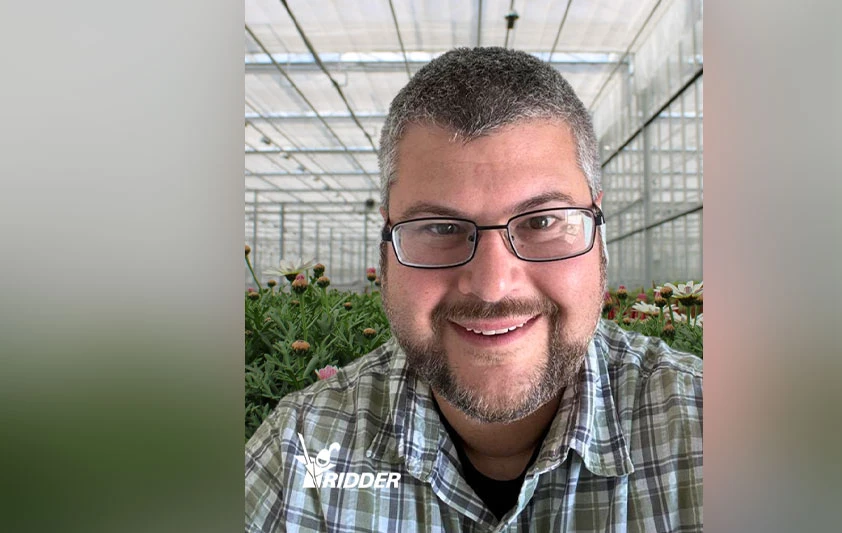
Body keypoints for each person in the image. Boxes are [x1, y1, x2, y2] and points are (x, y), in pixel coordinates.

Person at [246, 47, 703, 532]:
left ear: (599, 230)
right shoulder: (302, 455)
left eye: (543, 221)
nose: (491, 286)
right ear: (385, 243)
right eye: (440, 227)